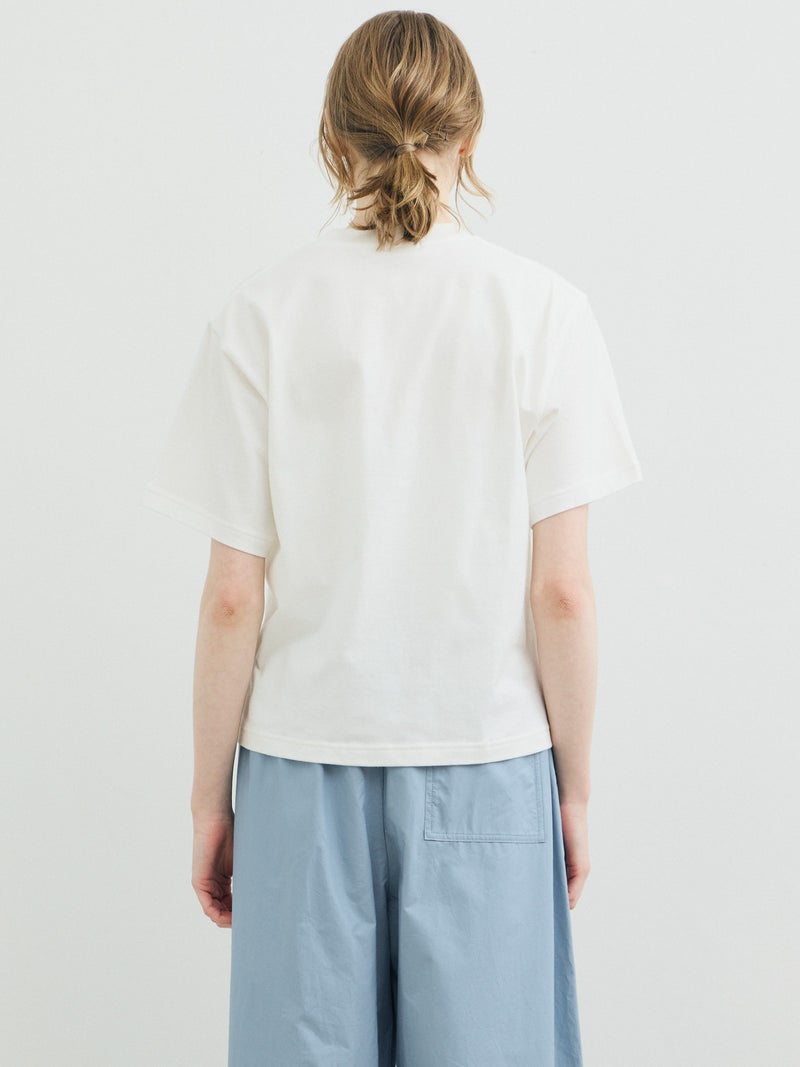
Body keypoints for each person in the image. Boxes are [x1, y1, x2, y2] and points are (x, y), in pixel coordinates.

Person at [140, 11, 643, 1066]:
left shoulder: (260, 314)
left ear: (335, 141)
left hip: (300, 764)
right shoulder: (544, 311)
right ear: (471, 135)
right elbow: (562, 593)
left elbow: (232, 596)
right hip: (488, 762)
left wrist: (207, 800)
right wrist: (577, 789)